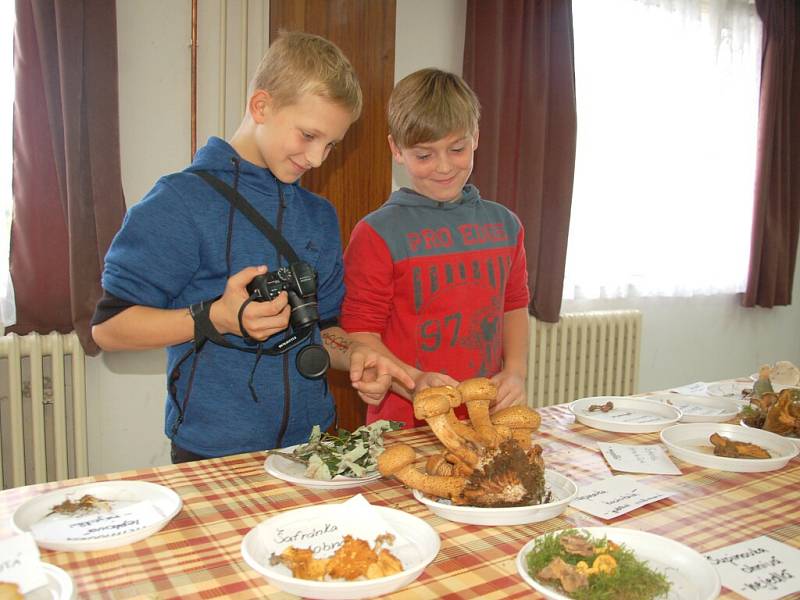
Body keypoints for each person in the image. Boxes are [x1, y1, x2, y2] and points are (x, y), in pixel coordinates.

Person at [92, 31, 414, 462]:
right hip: (213, 452)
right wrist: (216, 318)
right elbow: (110, 329)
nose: (317, 159)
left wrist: (358, 356)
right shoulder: (180, 202)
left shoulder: (319, 215)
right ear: (261, 106)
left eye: (331, 144)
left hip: (313, 445)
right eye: (307, 135)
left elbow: (326, 328)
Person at [340, 68, 530, 428]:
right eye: (424, 155)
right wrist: (412, 381)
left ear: (475, 138)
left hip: (486, 419)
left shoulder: (505, 226)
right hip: (402, 424)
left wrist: (516, 371)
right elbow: (360, 333)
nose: (443, 167)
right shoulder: (377, 233)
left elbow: (514, 304)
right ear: (396, 149)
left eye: (456, 149)